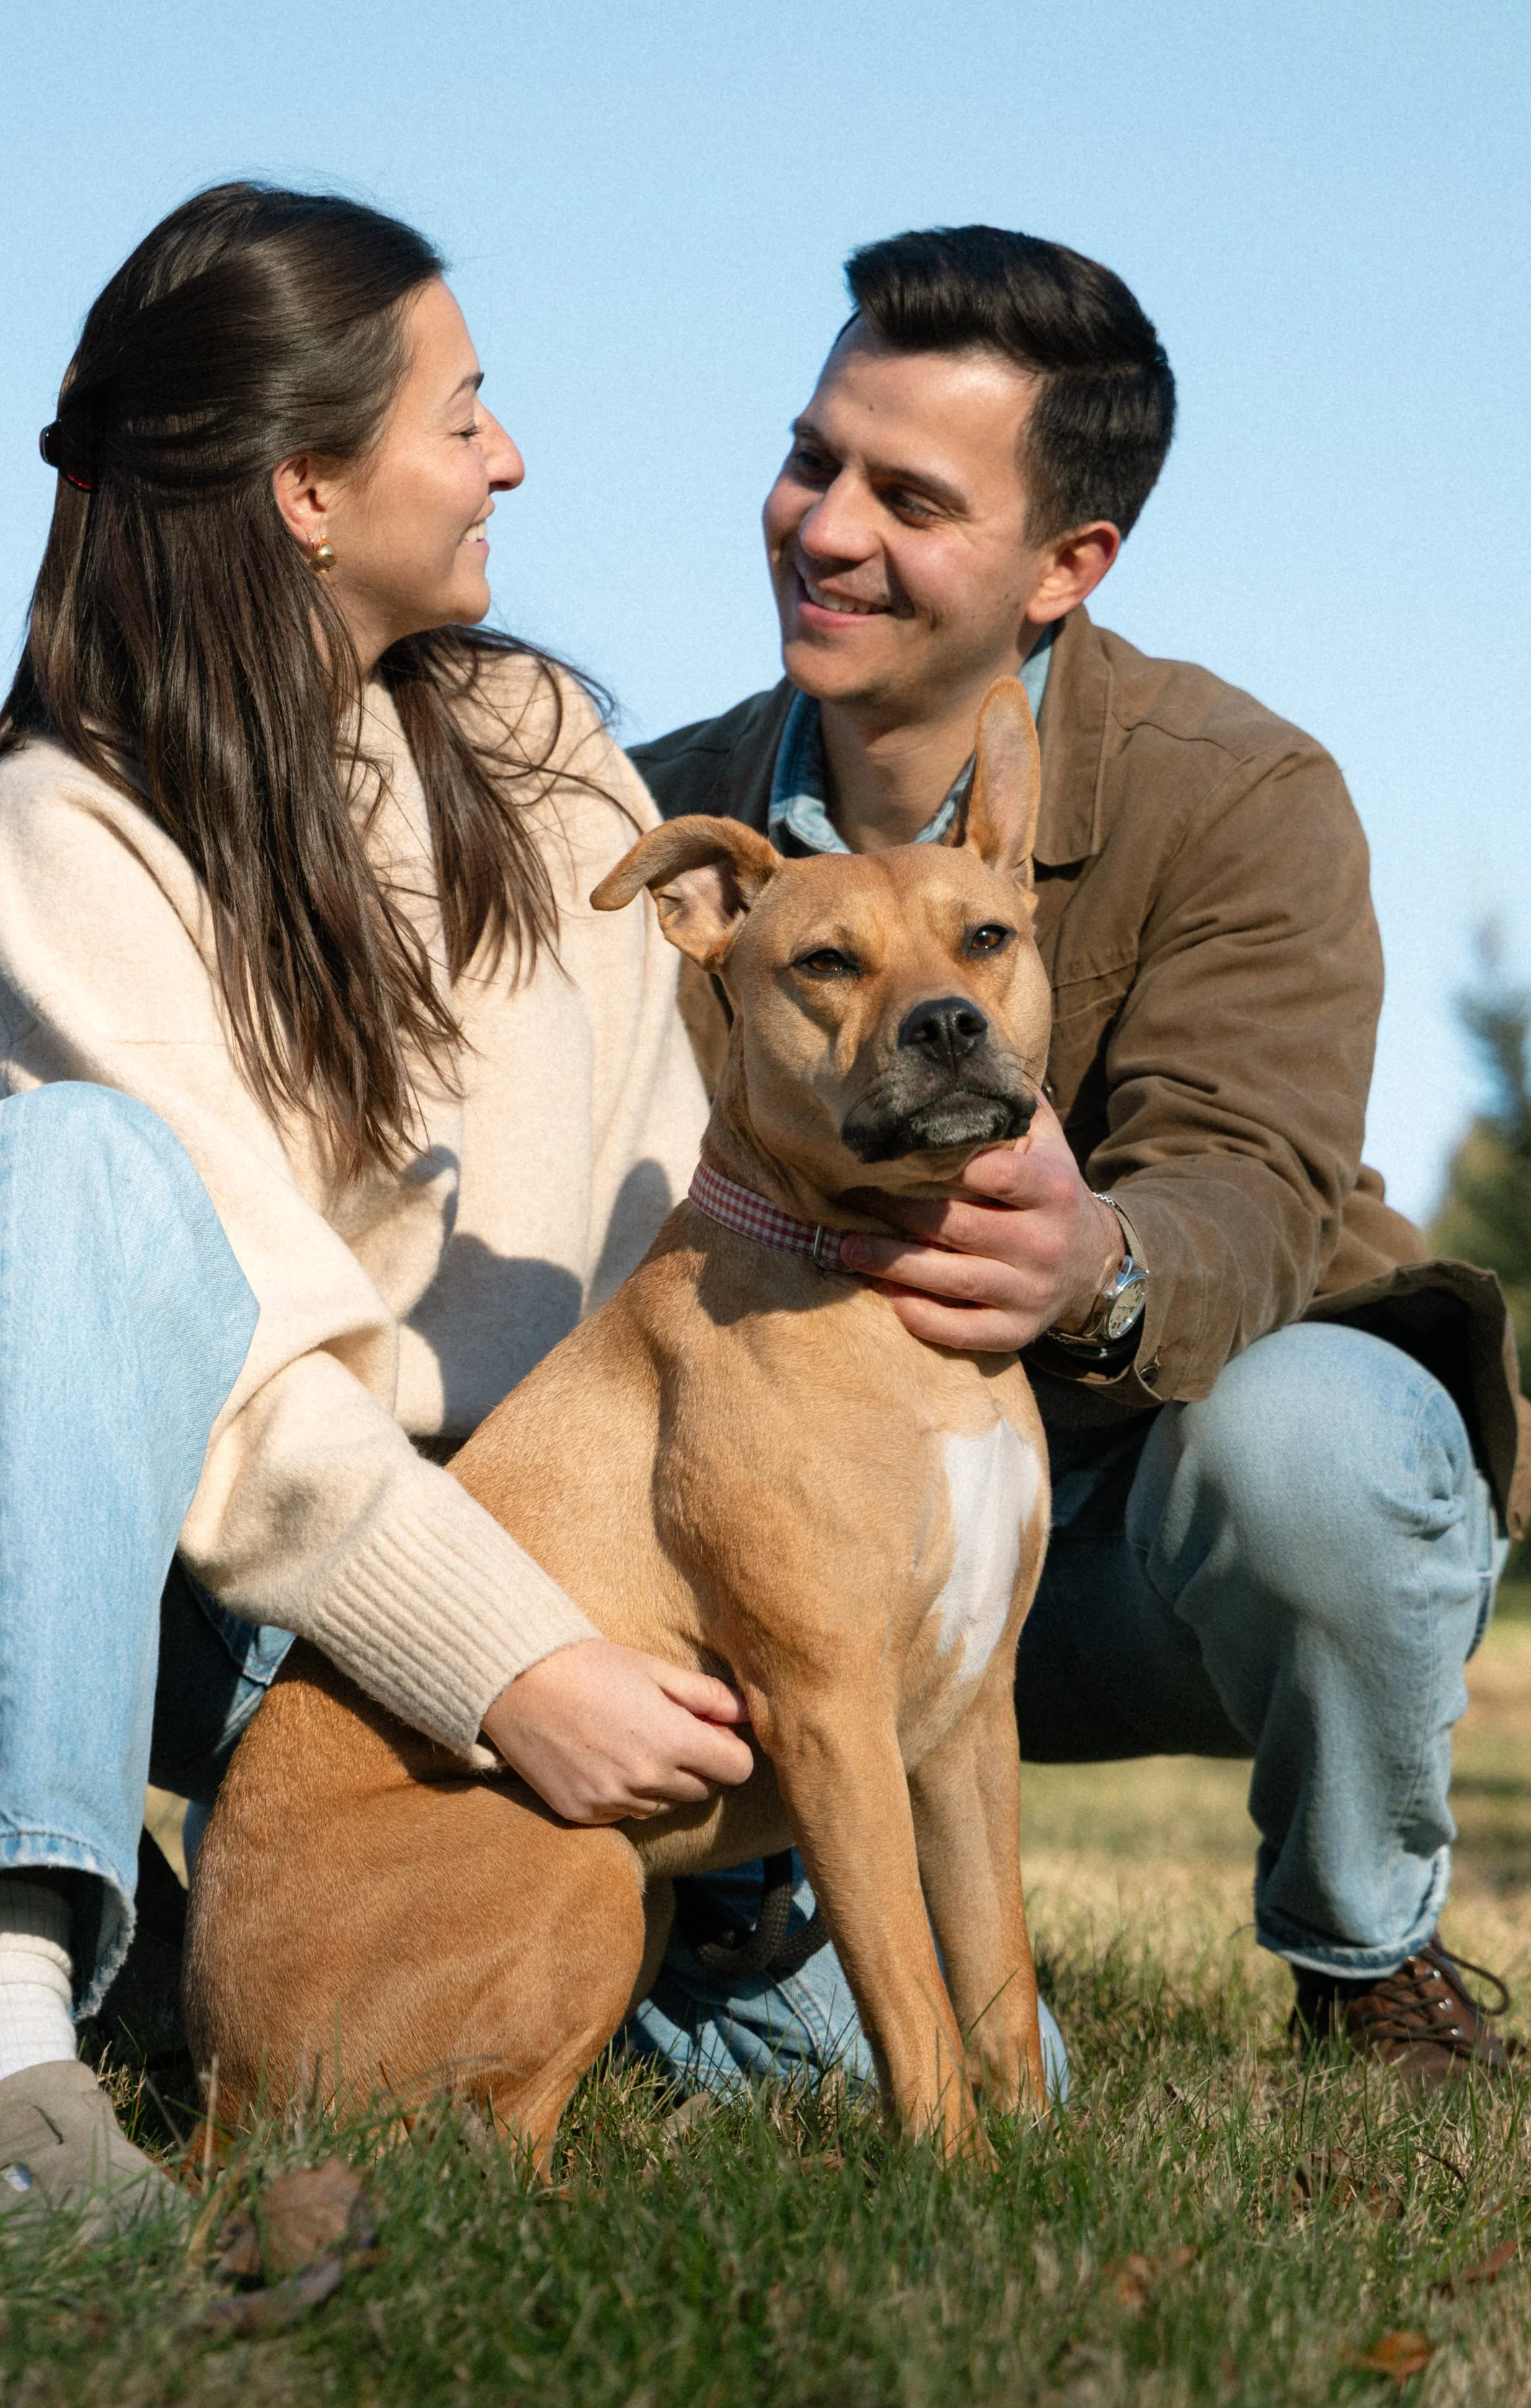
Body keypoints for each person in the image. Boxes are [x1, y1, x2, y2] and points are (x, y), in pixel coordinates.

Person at [0, 182, 755, 2224]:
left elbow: (667, 1214)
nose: (508, 455)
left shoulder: (535, 746)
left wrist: (648, 1610)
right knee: (61, 1166)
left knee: (811, 2052)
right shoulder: (66, 820)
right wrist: (510, 1662)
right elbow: (248, 1366)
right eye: (461, 413)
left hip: (541, 1551)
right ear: (305, 490)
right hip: (177, 1574)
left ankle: (230, 1949)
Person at [629, 223, 1526, 2100]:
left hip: (1127, 1530)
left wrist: (1092, 1264)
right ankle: (717, 1912)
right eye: (812, 459)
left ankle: (1362, 1954)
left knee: (1320, 1450)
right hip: (782, 1549)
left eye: (906, 496)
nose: (822, 525)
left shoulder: (1236, 790)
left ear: (1066, 563)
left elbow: (1253, 1178)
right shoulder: (648, 812)